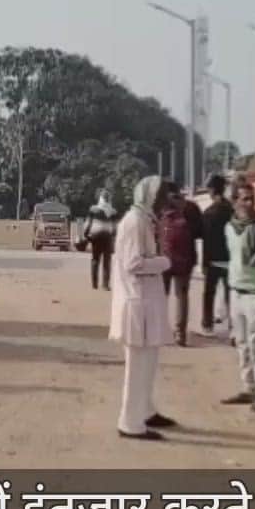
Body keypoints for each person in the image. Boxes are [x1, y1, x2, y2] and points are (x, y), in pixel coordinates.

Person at [110, 175, 176, 441]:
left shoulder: (145, 220)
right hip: (136, 304)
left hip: (146, 303)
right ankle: (130, 422)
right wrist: (163, 263)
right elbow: (133, 264)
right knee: (137, 368)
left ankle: (146, 411)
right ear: (148, 195)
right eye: (161, 195)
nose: (165, 200)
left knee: (148, 364)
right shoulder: (134, 222)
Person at [221, 182, 255, 410]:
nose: (250, 203)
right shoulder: (230, 228)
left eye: (251, 198)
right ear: (234, 202)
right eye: (244, 199)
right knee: (242, 344)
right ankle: (248, 388)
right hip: (236, 291)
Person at [159, 182, 202, 347]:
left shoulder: (160, 207)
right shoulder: (191, 207)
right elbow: (199, 232)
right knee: (182, 296)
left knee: (162, 295)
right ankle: (180, 334)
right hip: (186, 259)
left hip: (164, 258)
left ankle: (162, 331)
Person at [200, 174, 233, 337]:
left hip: (213, 258)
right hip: (230, 258)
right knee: (230, 293)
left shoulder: (208, 212)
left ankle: (207, 324)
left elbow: (205, 239)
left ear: (212, 190)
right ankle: (233, 325)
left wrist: (204, 262)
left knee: (209, 293)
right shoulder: (232, 209)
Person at [85, 190, 117, 291]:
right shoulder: (113, 211)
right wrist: (113, 237)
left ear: (100, 198)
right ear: (109, 199)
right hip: (107, 237)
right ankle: (105, 285)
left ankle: (94, 284)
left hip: (96, 236)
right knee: (107, 261)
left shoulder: (93, 209)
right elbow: (115, 227)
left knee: (95, 259)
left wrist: (86, 235)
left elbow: (88, 223)